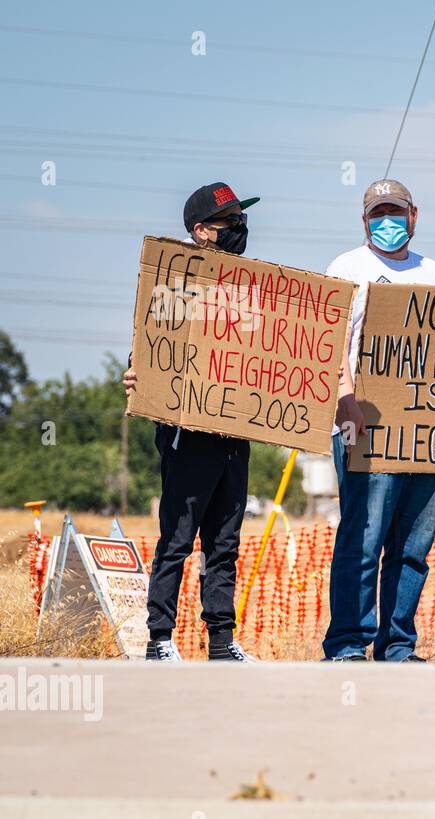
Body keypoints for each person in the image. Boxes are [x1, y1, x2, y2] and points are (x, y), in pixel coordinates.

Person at [323, 179, 435, 663]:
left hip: (429, 432)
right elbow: (332, 343)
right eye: (377, 213)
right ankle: (346, 644)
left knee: (412, 545)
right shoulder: (347, 267)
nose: (387, 221)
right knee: (363, 539)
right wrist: (346, 400)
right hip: (366, 427)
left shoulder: (434, 270)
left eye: (396, 212)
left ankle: (397, 646)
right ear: (363, 220)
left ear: (414, 215)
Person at [121, 182, 261, 662]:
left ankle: (221, 640)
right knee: (178, 539)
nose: (239, 231)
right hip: (188, 433)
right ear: (201, 232)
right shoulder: (172, 283)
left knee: (224, 542)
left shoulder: (250, 287)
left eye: (241, 221)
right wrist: (137, 373)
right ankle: (159, 638)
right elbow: (153, 346)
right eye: (229, 224)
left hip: (233, 435)